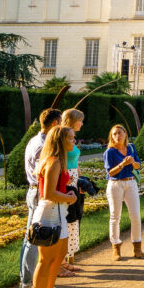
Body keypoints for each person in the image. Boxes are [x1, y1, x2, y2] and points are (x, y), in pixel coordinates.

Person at [31, 125, 77, 288]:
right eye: (71, 138)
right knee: (45, 261)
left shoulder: (59, 161)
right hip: (50, 213)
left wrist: (70, 192)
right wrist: (68, 197)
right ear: (60, 141)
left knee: (59, 255)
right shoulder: (54, 161)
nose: (74, 141)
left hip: (59, 213)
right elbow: (48, 193)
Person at [20, 108, 62, 288]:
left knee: (31, 236)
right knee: (34, 237)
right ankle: (27, 283)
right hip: (39, 192)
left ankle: (28, 280)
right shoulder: (43, 146)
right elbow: (43, 175)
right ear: (55, 123)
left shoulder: (34, 140)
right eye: (60, 122)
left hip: (34, 191)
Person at [104, 124, 143, 260]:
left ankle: (137, 247)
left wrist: (132, 163)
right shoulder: (110, 152)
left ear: (125, 134)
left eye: (120, 132)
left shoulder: (131, 148)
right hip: (116, 184)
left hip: (131, 182)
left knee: (136, 216)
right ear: (111, 137)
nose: (118, 135)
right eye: (114, 134)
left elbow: (139, 165)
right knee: (115, 217)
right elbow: (110, 172)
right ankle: (116, 248)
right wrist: (122, 164)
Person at [61, 108, 85, 275]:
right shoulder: (62, 136)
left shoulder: (70, 136)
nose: (82, 123)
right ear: (72, 120)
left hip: (73, 180)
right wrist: (66, 179)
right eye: (80, 120)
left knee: (72, 217)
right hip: (67, 180)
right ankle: (60, 262)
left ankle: (64, 260)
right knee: (66, 218)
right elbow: (59, 159)